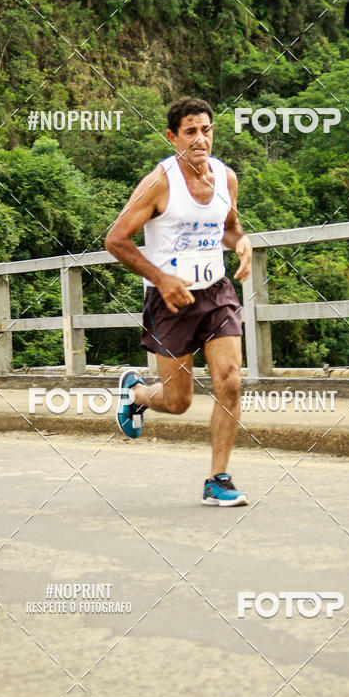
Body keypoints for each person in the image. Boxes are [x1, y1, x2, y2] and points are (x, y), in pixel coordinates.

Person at [105, 96, 253, 506]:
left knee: (230, 382)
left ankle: (217, 480)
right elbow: (116, 239)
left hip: (216, 293)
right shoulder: (159, 183)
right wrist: (162, 278)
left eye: (206, 130)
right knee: (178, 401)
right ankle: (135, 394)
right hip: (168, 301)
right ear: (173, 138)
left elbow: (230, 228)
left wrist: (242, 243)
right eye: (190, 132)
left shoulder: (226, 178)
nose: (200, 139)